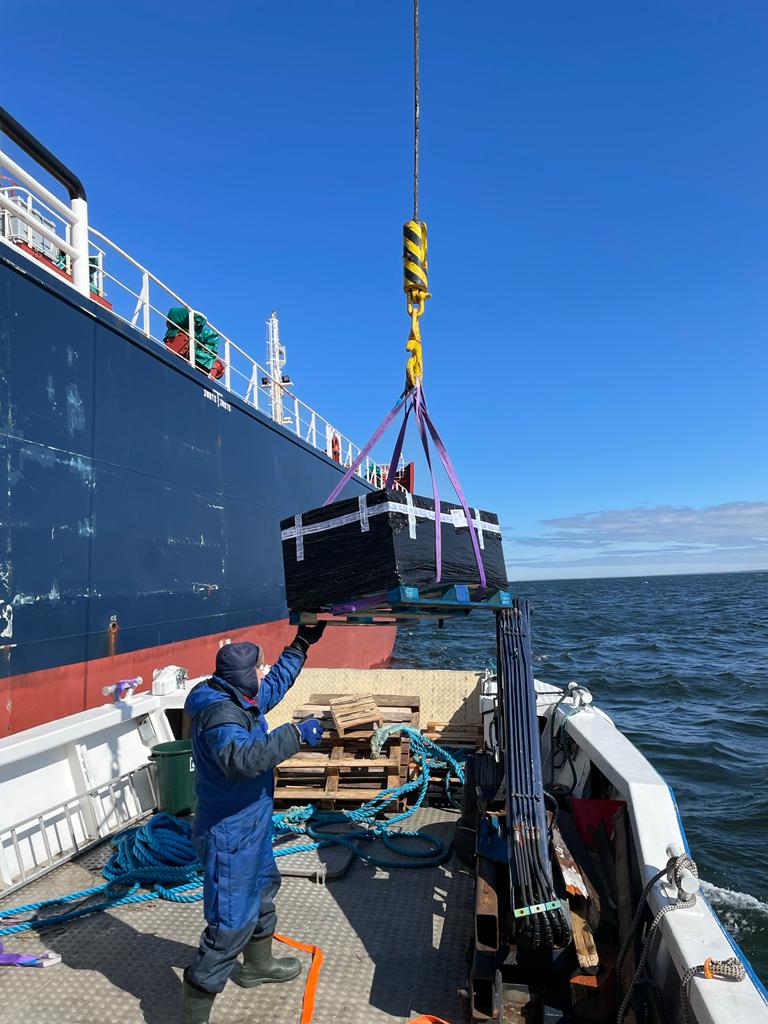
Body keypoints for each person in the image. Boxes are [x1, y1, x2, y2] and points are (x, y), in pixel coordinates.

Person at [180, 623, 327, 1023]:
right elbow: (241, 761)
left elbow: (274, 685)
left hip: (252, 821)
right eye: (258, 670)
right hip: (228, 831)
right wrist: (295, 734)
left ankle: (258, 966)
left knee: (263, 889)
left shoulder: (237, 694)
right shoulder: (220, 716)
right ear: (245, 676)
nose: (263, 675)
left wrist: (301, 643)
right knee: (230, 924)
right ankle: (193, 1013)